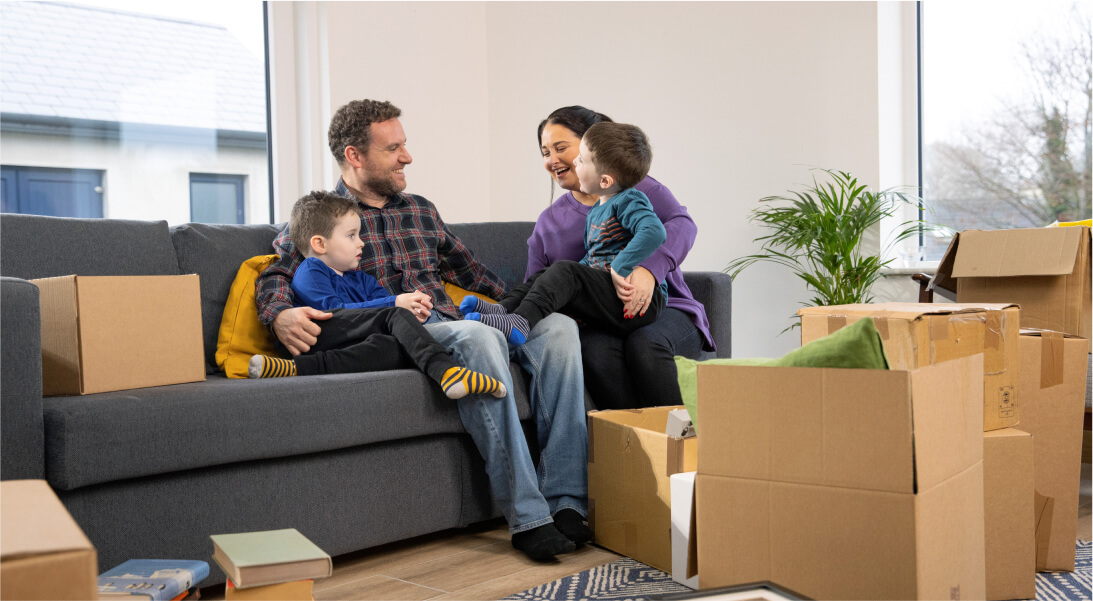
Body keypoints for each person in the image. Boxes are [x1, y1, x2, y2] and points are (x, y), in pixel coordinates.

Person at [255, 99, 591, 561]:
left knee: (558, 328)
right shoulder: (328, 218)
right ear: (355, 156)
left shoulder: (420, 210)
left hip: (457, 320)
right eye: (394, 148)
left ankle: (568, 501)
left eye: (404, 145)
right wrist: (279, 313)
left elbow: (477, 276)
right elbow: (275, 271)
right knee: (480, 337)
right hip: (411, 332)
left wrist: (525, 307)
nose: (407, 157)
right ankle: (529, 517)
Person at [529, 106, 715, 410]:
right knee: (595, 354)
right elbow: (537, 283)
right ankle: (635, 447)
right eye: (545, 151)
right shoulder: (548, 221)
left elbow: (683, 226)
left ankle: (688, 448)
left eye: (561, 148)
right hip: (600, 322)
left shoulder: (635, 189)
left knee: (645, 346)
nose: (552, 160)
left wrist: (648, 270)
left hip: (665, 309)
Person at [248, 190, 507, 401]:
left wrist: (410, 312)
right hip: (320, 332)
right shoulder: (311, 270)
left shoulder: (360, 278)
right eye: (351, 236)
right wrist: (396, 303)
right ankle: (447, 371)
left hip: (343, 347)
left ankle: (293, 370)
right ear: (319, 244)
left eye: (359, 234)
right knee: (394, 313)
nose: (361, 243)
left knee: (397, 347)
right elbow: (334, 311)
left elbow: (383, 311)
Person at [463, 122, 668, 349]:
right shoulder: (596, 212)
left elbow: (654, 231)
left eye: (582, 160)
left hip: (638, 301)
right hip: (609, 295)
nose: (575, 162)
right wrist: (568, 283)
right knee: (550, 272)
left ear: (605, 181)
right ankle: (505, 308)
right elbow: (591, 260)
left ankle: (520, 323)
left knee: (565, 270)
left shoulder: (629, 200)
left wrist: (621, 265)